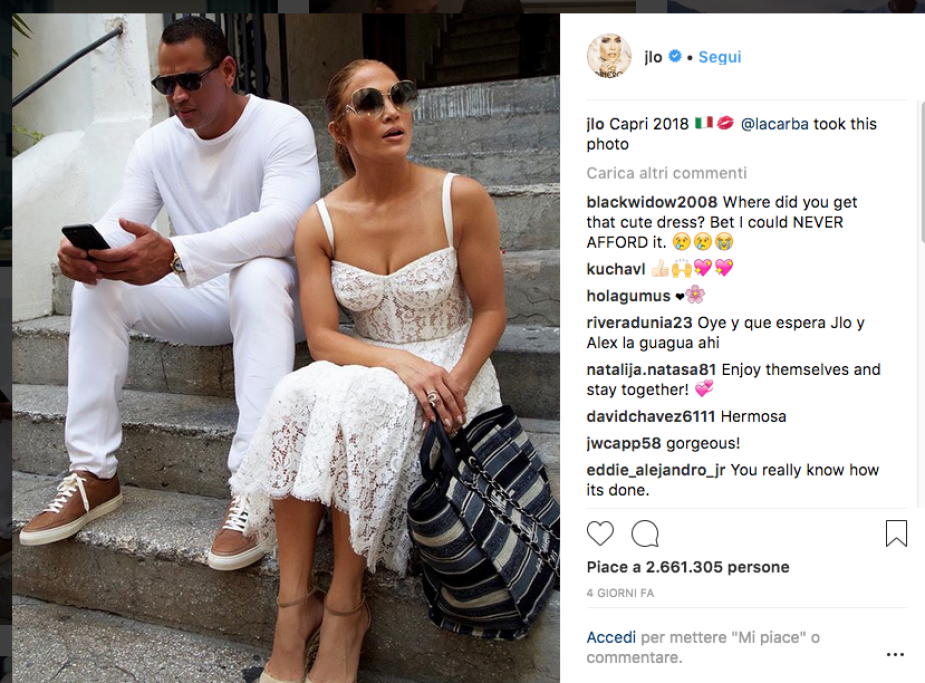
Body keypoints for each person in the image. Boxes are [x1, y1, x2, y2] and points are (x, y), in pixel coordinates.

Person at [230, 59, 506, 683]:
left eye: (398, 95)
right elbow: (325, 338)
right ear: (339, 129)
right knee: (296, 391)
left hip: (452, 370)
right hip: (373, 360)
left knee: (363, 400)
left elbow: (491, 312)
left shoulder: (460, 197)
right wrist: (399, 361)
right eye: (370, 102)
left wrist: (455, 380)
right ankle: (292, 610)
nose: (391, 110)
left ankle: (345, 609)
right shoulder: (320, 221)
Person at [19, 17, 321, 573]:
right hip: (206, 295)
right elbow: (122, 219)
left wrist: (177, 252)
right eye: (167, 84)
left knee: (256, 273)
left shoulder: (282, 125)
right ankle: (93, 474)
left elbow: (285, 224)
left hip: (284, 296)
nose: (178, 95)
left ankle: (254, 487)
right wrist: (85, 250)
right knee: (98, 286)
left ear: (227, 70)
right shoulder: (157, 144)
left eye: (190, 80)